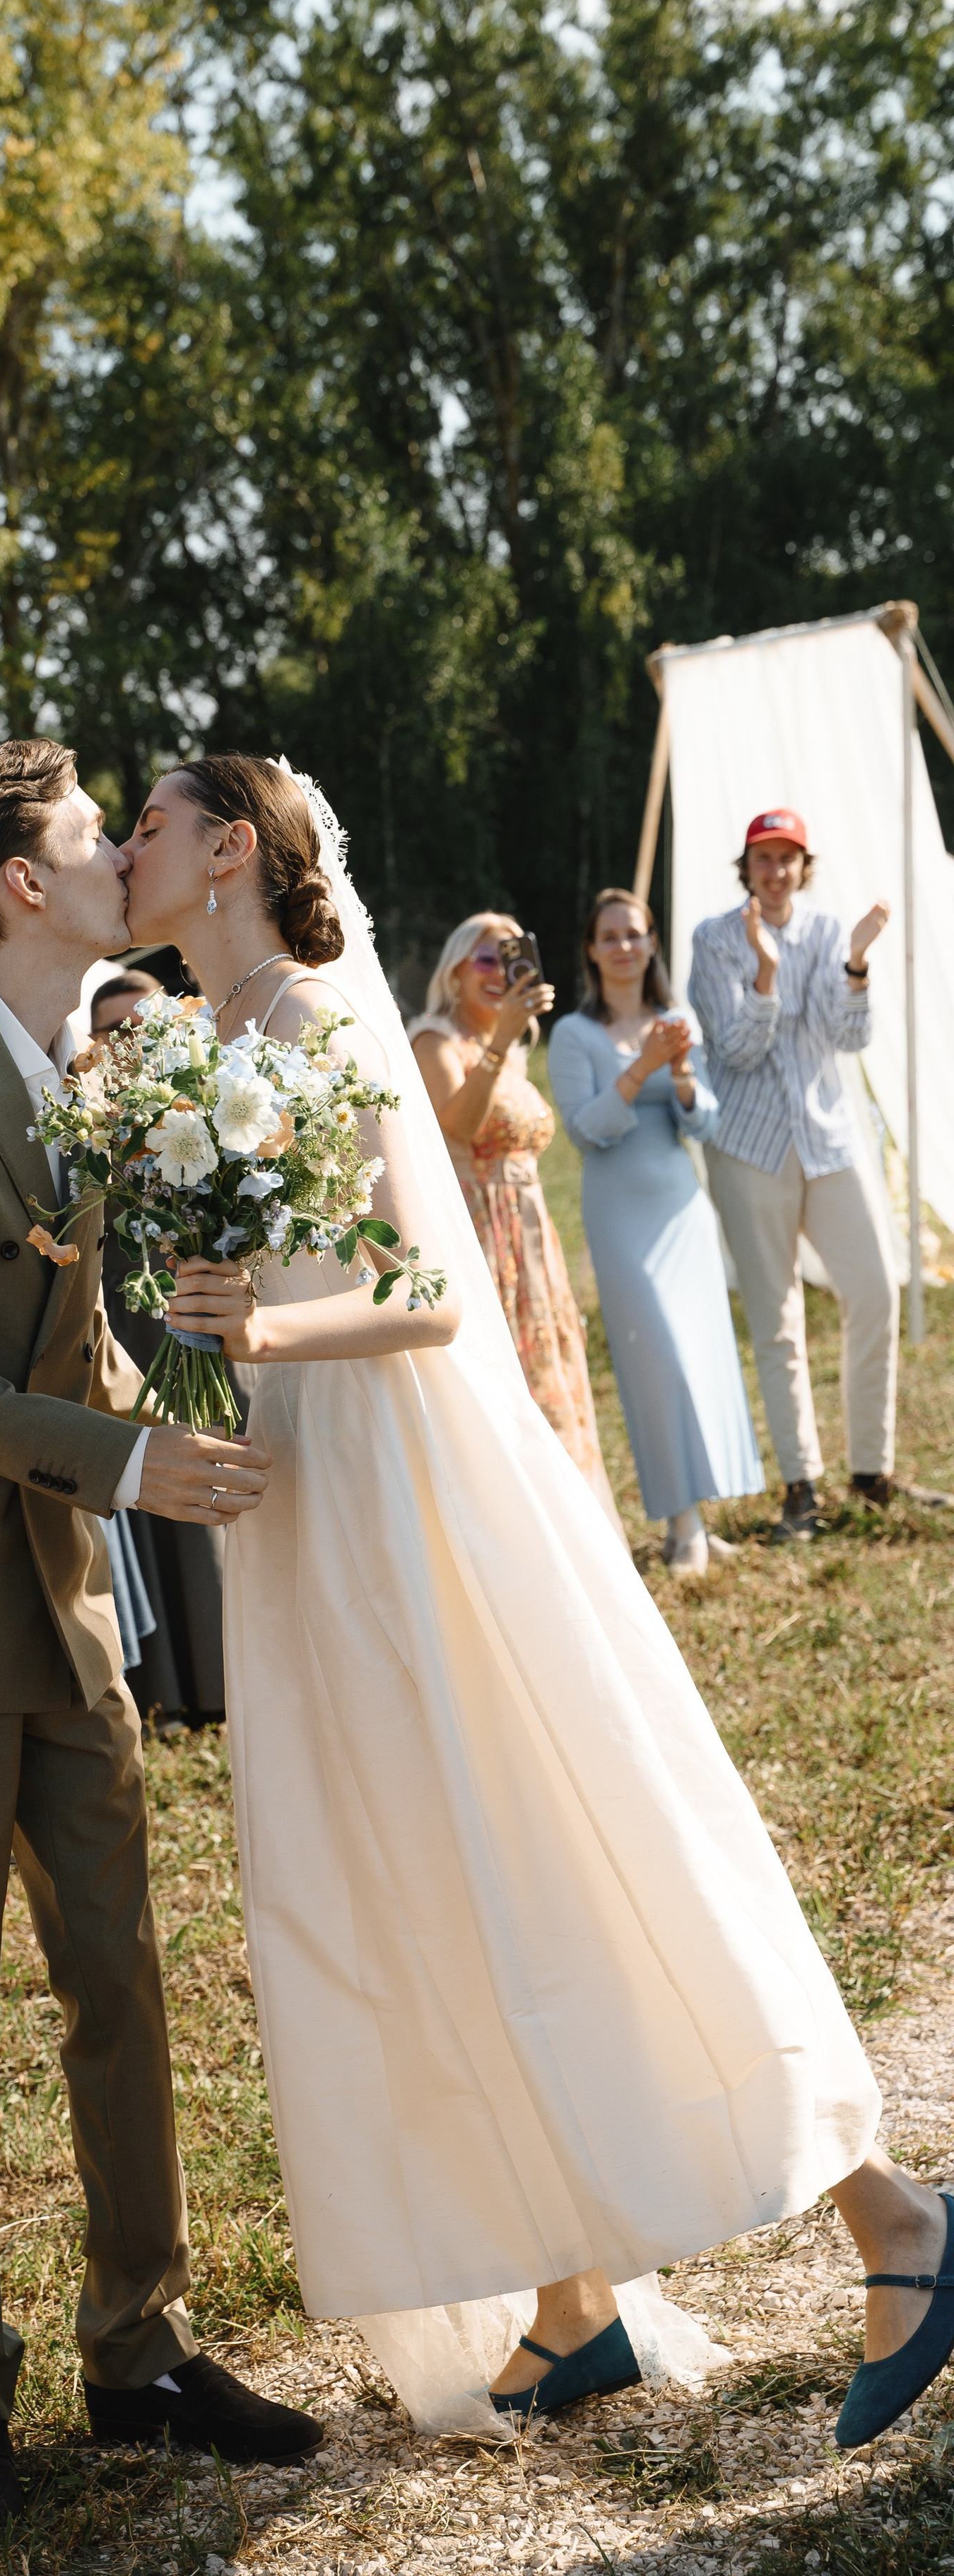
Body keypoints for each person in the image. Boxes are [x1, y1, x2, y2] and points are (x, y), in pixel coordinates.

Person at [139, 753, 954, 2456]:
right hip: (302, 1503)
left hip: (414, 1498)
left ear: (225, 850)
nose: (120, 848)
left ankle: (894, 2215)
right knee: (419, 1876)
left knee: (567, 1834)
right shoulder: (197, 1050)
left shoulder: (310, 1023)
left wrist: (260, 1333)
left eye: (145, 822)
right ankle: (567, 2296)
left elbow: (429, 1301)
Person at [0, 739, 321, 2539]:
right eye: (95, 835)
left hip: (67, 1601)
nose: (122, 855)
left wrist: (197, 1362)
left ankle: (142, 2347)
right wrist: (121, 1457)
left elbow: (68, 1335)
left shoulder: (104, 1066)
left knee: (120, 1973)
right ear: (24, 887)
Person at [688, 808, 895, 1541]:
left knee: (874, 1294)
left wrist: (857, 963)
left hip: (830, 1140)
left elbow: (851, 1035)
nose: (774, 872)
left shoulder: (830, 928)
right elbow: (736, 1050)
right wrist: (767, 978)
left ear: (804, 867)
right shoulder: (714, 938)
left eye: (787, 858)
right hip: (749, 1148)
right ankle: (799, 1486)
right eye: (762, 858)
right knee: (778, 1322)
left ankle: (871, 1471)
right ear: (744, 868)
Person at [548, 891, 763, 1572]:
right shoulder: (575, 1036)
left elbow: (703, 1124)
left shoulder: (675, 1020)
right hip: (622, 1220)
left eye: (634, 935)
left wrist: (680, 1075)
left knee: (700, 1357)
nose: (623, 947)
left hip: (682, 1210)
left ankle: (695, 1521)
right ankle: (682, 1525)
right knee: (658, 1360)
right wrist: (641, 1068)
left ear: (651, 944)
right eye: (609, 936)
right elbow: (586, 1133)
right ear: (591, 949)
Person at [412, 914, 620, 1526]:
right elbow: (462, 1126)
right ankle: (519, 1525)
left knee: (549, 1367)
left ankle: (573, 1522)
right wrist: (502, 1039)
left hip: (533, 1241)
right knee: (504, 1382)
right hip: (479, 1238)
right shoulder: (434, 1040)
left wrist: (504, 1041)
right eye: (485, 960)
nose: (500, 974)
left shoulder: (504, 1048)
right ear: (454, 970)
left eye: (512, 959)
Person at [88, 970, 231, 1727]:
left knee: (212, 1468)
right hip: (126, 1323)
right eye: (113, 1029)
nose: (130, 1040)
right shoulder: (88, 1128)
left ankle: (225, 1673)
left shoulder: (210, 1108)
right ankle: (171, 1684)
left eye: (145, 1023)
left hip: (205, 1324)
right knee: (150, 1487)